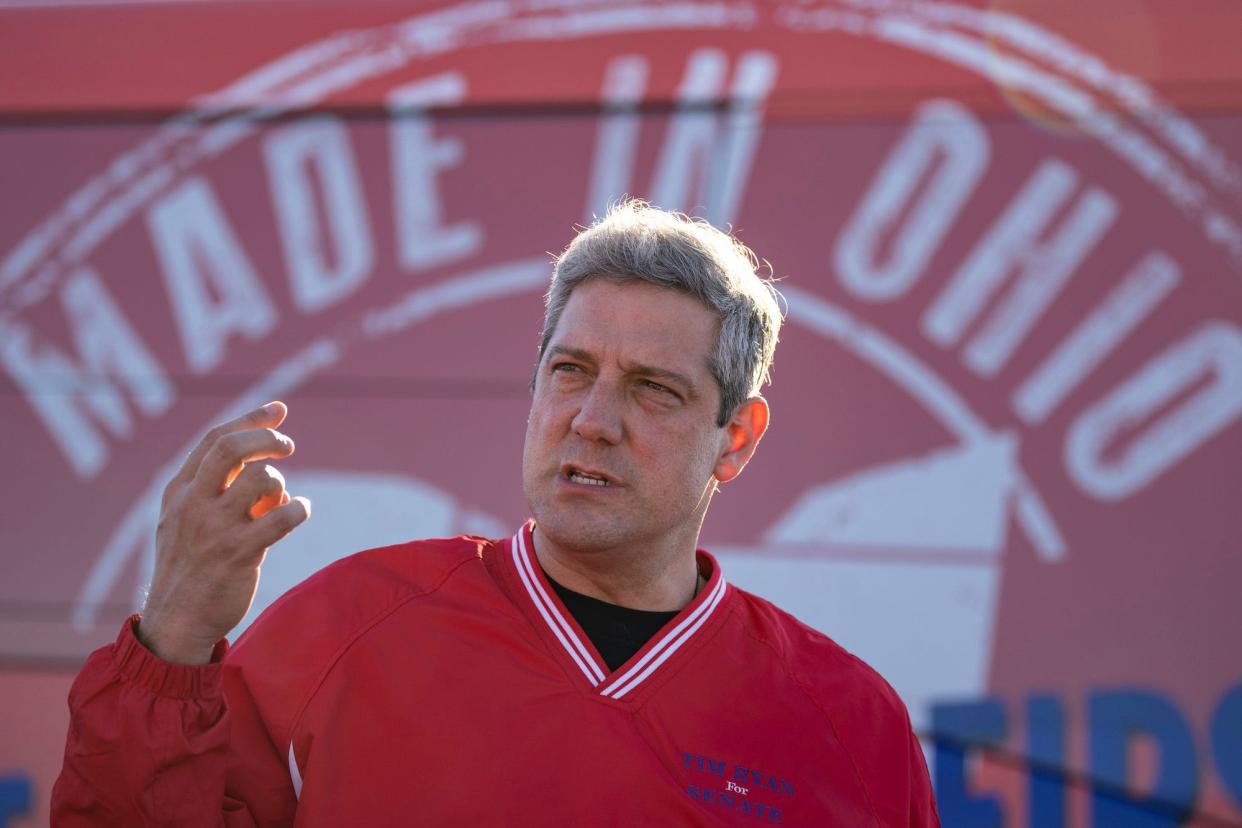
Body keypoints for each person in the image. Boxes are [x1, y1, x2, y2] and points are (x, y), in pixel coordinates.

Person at [53, 201, 939, 826]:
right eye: (570, 371)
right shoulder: (346, 630)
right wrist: (171, 639)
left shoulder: (850, 724)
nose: (593, 419)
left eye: (653, 389)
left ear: (735, 439)